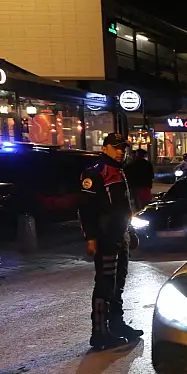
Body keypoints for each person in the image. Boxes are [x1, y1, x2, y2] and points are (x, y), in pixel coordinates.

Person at [79, 133, 144, 350]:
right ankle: (99, 333)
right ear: (105, 147)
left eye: (123, 148)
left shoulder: (120, 171)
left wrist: (131, 231)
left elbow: (125, 208)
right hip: (105, 238)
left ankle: (116, 325)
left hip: (121, 235)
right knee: (105, 284)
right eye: (116, 147)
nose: (120, 152)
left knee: (119, 282)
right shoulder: (95, 173)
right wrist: (90, 238)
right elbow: (85, 209)